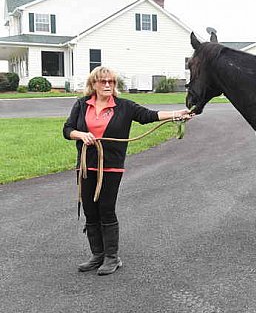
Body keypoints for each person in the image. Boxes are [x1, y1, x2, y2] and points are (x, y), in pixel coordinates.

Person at [63, 66, 192, 275]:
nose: (107, 85)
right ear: (93, 84)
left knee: (106, 209)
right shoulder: (81, 104)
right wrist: (80, 134)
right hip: (86, 167)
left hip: (111, 166)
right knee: (90, 210)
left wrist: (177, 114)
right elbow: (67, 129)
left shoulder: (123, 106)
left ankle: (112, 258)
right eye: (103, 81)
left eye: (111, 82)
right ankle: (97, 255)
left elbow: (149, 115)